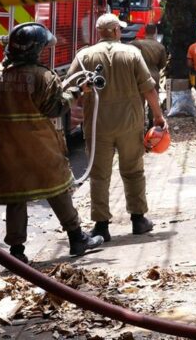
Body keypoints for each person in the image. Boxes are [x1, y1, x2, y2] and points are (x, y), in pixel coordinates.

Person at [0, 22, 104, 263]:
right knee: (58, 190)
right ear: (34, 50)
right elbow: (55, 108)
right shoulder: (44, 76)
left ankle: (16, 253)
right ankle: (77, 238)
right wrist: (76, 92)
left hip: (9, 149)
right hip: (42, 147)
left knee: (16, 197)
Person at [71, 13, 166, 241]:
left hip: (98, 125)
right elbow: (148, 89)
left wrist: (78, 106)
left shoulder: (83, 56)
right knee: (133, 171)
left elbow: (71, 90)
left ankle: (101, 226)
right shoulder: (132, 53)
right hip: (129, 124)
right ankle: (138, 220)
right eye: (119, 29)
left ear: (99, 32)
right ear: (115, 31)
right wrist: (158, 117)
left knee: (99, 175)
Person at [129, 24, 168, 132]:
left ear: (145, 32)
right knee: (153, 100)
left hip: (138, 76)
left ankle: (139, 124)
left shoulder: (136, 43)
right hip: (154, 75)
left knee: (139, 100)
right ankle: (152, 124)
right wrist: (155, 69)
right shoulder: (160, 47)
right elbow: (163, 64)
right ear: (155, 32)